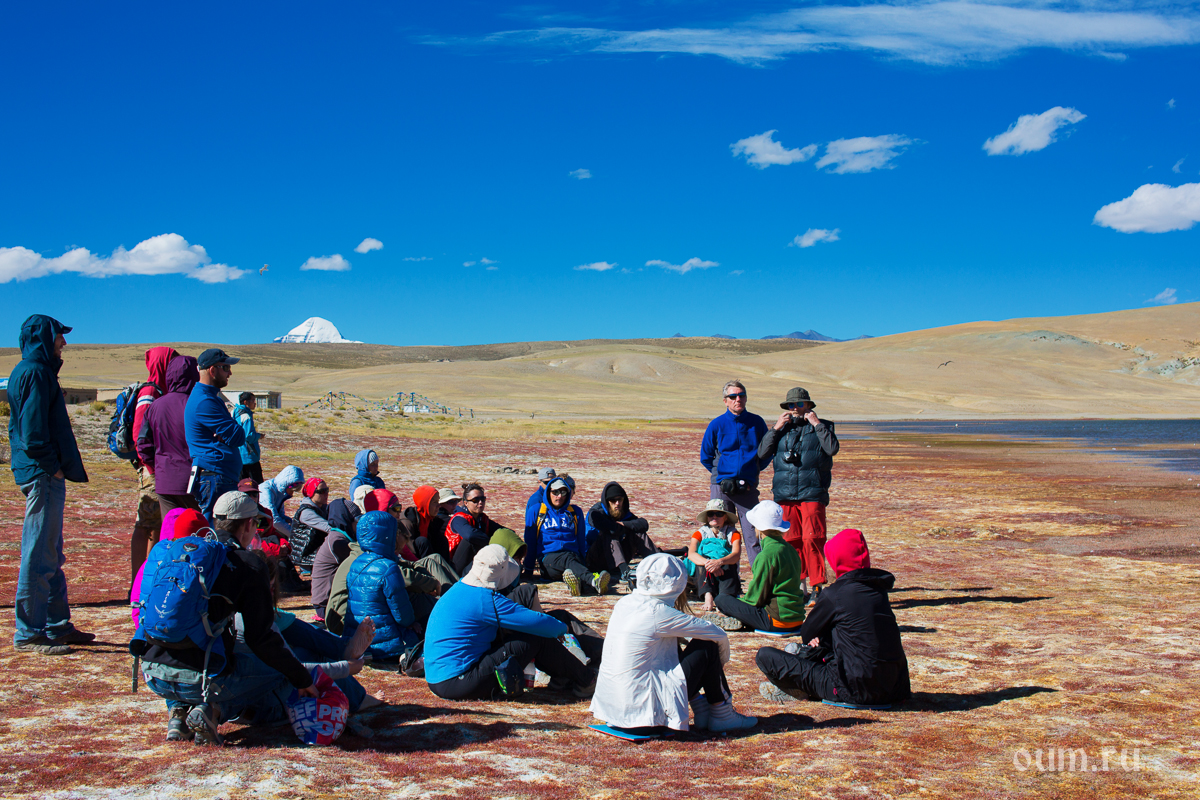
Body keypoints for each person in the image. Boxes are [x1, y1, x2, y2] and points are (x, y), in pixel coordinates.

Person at [135, 490, 318, 746]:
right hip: (201, 680)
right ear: (248, 524)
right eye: (256, 522)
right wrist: (301, 677)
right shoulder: (247, 565)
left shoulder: (176, 552)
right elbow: (261, 639)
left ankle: (178, 714)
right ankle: (212, 710)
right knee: (279, 670)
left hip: (153, 673)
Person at [590, 553, 756, 733]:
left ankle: (701, 710)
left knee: (670, 646)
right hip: (645, 718)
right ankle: (723, 714)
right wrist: (717, 664)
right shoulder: (657, 611)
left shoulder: (625, 603)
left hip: (615, 714)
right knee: (707, 645)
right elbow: (717, 635)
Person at [8, 315, 93, 655]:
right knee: (40, 553)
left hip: (41, 472)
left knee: (51, 551)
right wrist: (53, 467)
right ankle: (29, 633)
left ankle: (57, 624)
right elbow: (32, 433)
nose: (64, 342)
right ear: (44, 336)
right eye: (59, 335)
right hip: (42, 474)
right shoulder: (35, 372)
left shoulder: (34, 371)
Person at [424, 544, 601, 701]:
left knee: (533, 632)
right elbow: (536, 623)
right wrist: (563, 628)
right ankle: (586, 680)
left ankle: (563, 677)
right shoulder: (485, 600)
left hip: (438, 678)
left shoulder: (459, 589)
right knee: (536, 636)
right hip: (459, 681)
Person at [756, 529, 910, 707]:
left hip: (851, 688)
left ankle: (795, 689)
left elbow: (807, 633)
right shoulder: (879, 592)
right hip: (893, 689)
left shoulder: (835, 594)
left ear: (838, 560)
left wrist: (821, 638)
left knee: (765, 656)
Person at [757, 387, 839, 600]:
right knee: (791, 539)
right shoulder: (781, 429)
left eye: (800, 404)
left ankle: (817, 587)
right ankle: (799, 588)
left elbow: (832, 449)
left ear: (809, 406)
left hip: (813, 492)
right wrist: (776, 428)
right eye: (791, 405)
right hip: (785, 493)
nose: (795, 409)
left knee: (813, 538)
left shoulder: (823, 427)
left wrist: (817, 424)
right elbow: (762, 453)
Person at [700, 379, 770, 567]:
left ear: (746, 398)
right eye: (732, 396)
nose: (737, 399)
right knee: (721, 534)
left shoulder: (756, 422)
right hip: (721, 487)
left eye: (741, 395)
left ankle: (759, 577)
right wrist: (721, 475)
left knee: (753, 534)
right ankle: (727, 579)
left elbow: (766, 452)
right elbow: (706, 456)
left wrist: (753, 471)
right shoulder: (717, 424)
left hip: (747, 487)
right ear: (725, 401)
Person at [345, 511, 429, 664]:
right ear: (387, 536)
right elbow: (401, 610)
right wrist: (411, 622)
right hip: (386, 641)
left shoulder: (356, 563)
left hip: (358, 636)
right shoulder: (388, 568)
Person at [713, 501, 806, 634]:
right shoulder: (790, 550)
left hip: (777, 620)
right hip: (797, 619)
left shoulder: (767, 555)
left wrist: (738, 604)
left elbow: (755, 597)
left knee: (722, 599)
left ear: (759, 528)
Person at [129, 346, 178, 581]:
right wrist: (149, 466)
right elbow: (139, 432)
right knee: (146, 525)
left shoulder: (162, 391)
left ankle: (149, 579)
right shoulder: (150, 391)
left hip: (158, 466)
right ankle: (138, 582)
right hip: (152, 469)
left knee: (157, 525)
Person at [137, 355, 202, 520]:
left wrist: (157, 467)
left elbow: (143, 443)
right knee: (198, 528)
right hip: (194, 480)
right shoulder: (199, 404)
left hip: (165, 480)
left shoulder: (156, 405)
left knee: (171, 529)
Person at [184, 348, 246, 523]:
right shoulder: (205, 401)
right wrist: (230, 430)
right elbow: (238, 436)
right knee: (216, 529)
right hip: (215, 476)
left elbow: (233, 434)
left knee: (222, 527)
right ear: (212, 370)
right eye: (225, 368)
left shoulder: (210, 398)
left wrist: (227, 431)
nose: (230, 373)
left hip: (218, 475)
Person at [525, 477, 609, 596]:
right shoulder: (537, 511)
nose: (559, 496)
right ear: (548, 492)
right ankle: (593, 580)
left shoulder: (575, 512)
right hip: (548, 561)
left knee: (571, 562)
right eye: (555, 492)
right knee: (567, 559)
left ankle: (577, 584)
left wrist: (582, 561)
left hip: (572, 557)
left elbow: (581, 540)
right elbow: (530, 541)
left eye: (563, 492)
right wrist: (528, 569)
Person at [584, 481, 659, 591]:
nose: (617, 503)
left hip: (616, 558)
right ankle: (624, 571)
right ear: (607, 501)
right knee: (609, 532)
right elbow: (609, 527)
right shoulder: (596, 512)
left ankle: (658, 563)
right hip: (595, 559)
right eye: (613, 500)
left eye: (620, 499)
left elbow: (643, 524)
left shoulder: (624, 513)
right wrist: (622, 527)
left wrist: (624, 524)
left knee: (638, 532)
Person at [686, 499, 743, 613]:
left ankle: (725, 597)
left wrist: (719, 562)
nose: (714, 517)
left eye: (719, 514)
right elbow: (691, 554)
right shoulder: (699, 533)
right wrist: (710, 564)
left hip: (724, 569)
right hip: (706, 571)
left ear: (725, 517)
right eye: (711, 514)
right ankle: (708, 595)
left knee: (729, 564)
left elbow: (736, 555)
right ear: (707, 517)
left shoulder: (734, 534)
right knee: (700, 563)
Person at [446, 483, 503, 576]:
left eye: (483, 499)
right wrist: (492, 544)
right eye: (475, 500)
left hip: (473, 562)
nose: (480, 502)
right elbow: (470, 535)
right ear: (466, 503)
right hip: (455, 566)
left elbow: (501, 530)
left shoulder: (482, 519)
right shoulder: (458, 519)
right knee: (470, 541)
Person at [259, 465, 304, 537]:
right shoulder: (266, 490)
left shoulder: (280, 492)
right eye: (292, 490)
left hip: (268, 526)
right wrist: (295, 535)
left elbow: (280, 515)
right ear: (286, 485)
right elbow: (274, 519)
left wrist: (290, 521)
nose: (292, 494)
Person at [233, 392, 266, 486]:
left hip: (237, 454)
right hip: (249, 455)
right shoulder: (246, 417)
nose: (255, 403)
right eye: (253, 400)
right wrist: (259, 436)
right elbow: (248, 436)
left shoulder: (234, 412)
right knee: (256, 484)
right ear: (245, 402)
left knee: (241, 484)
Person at [407, 484, 449, 560]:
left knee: (442, 539)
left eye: (438, 501)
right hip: (415, 562)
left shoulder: (433, 521)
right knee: (422, 541)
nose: (439, 506)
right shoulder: (408, 522)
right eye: (434, 502)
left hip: (431, 559)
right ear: (425, 503)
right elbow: (409, 552)